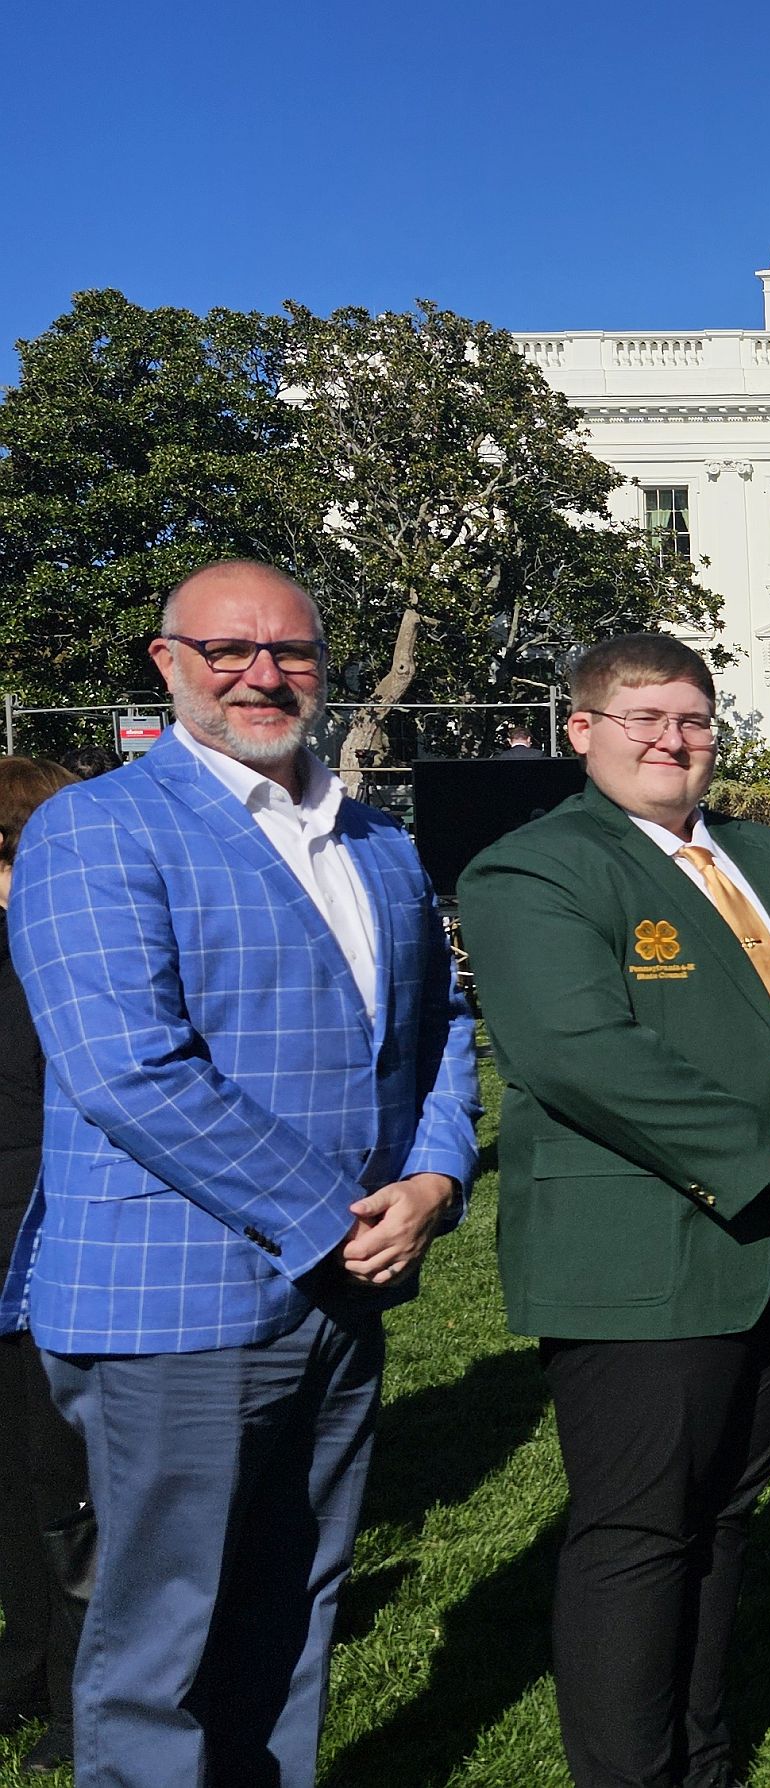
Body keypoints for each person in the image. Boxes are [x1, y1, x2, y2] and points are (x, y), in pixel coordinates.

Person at [1, 560, 481, 1786]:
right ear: (167, 665)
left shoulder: (376, 840)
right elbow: (126, 1070)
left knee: (292, 1612)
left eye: (292, 652)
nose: (262, 675)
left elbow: (438, 1032)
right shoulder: (93, 828)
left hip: (345, 1290)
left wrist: (433, 1181)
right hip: (173, 1300)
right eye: (227, 650)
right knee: (162, 1642)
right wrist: (333, 1218)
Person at [458, 634, 770, 1788]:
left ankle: (699, 1759)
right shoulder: (534, 871)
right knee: (640, 1533)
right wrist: (764, 1160)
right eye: (643, 717)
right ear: (581, 731)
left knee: (726, 1514)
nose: (673, 739)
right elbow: (580, 1055)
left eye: (692, 718)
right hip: (643, 1251)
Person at [0, 759, 85, 1779]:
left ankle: (74, 1690)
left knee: (62, 1484)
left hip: (50, 1246)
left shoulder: (54, 954)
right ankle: (28, 1665)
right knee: (17, 1490)